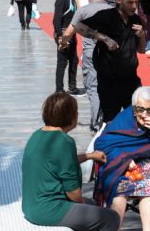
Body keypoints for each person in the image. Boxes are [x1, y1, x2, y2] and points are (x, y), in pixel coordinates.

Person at [22, 92, 120, 231]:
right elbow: (73, 193)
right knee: (111, 218)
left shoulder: (38, 134)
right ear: (69, 116)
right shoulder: (64, 142)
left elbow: (61, 162)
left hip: (31, 205)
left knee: (94, 205)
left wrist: (90, 156)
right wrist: (83, 206)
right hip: (50, 210)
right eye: (76, 112)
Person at [95, 86, 150, 231]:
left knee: (148, 188)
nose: (145, 114)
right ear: (134, 108)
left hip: (147, 167)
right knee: (119, 191)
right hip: (120, 166)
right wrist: (123, 159)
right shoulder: (123, 119)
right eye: (140, 109)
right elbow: (102, 143)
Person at [71, 0, 146, 122]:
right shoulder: (107, 16)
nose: (134, 6)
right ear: (119, 0)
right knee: (111, 121)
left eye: (136, 2)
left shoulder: (136, 19)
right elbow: (78, 26)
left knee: (137, 120)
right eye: (130, 2)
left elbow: (141, 50)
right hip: (110, 81)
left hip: (131, 80)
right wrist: (103, 38)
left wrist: (142, 35)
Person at [60, 0, 113, 132]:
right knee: (108, 86)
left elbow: (70, 31)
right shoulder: (112, 10)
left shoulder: (83, 11)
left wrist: (63, 42)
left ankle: (96, 121)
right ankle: (106, 117)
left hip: (90, 54)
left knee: (93, 87)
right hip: (109, 55)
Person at [54, 0, 81, 95]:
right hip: (64, 34)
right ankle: (59, 88)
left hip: (72, 34)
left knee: (74, 60)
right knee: (62, 62)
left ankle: (72, 86)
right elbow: (56, 19)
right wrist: (60, 36)